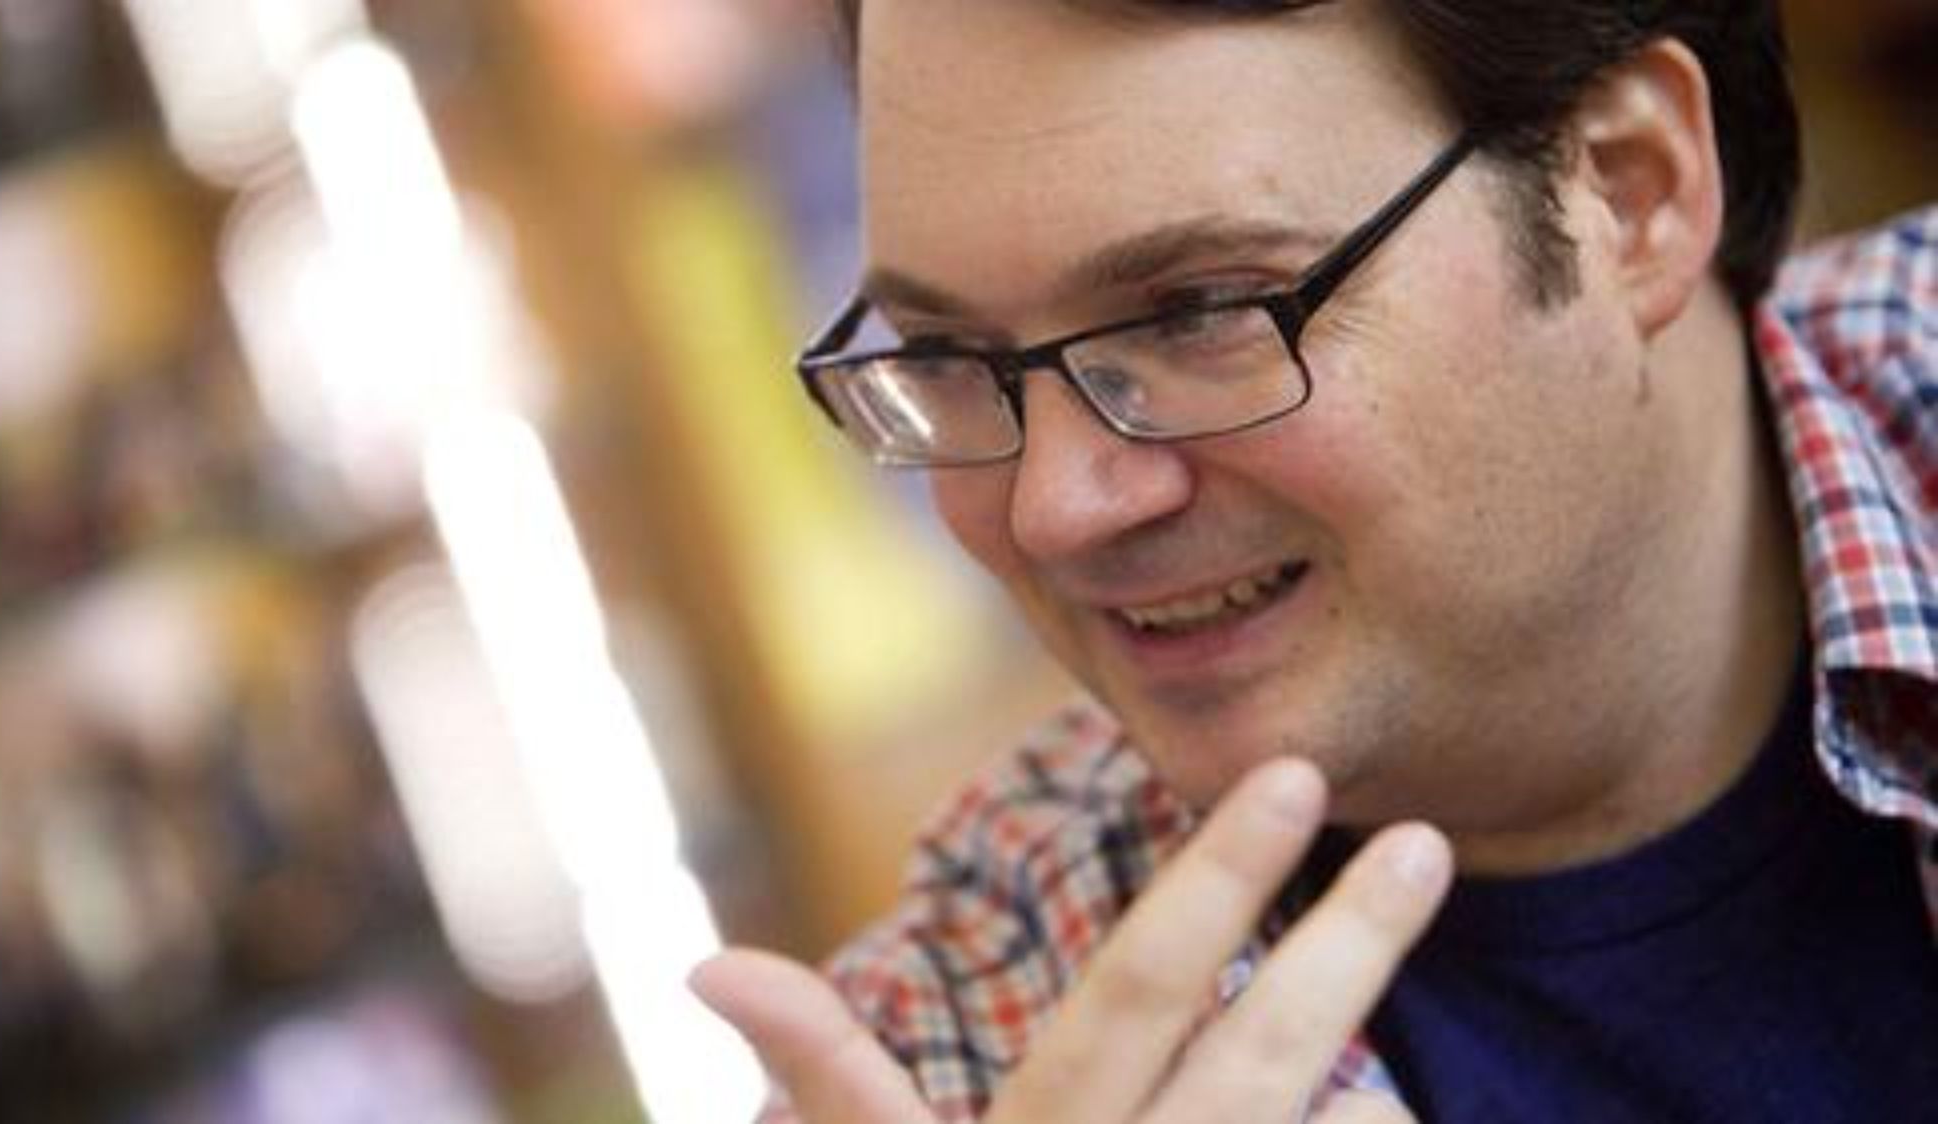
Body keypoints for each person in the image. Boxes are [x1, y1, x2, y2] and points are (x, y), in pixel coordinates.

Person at [692, 0, 1937, 1120]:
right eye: (945, 352)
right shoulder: (941, 1064)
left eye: (1197, 311)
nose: (1052, 509)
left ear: (1626, 191)